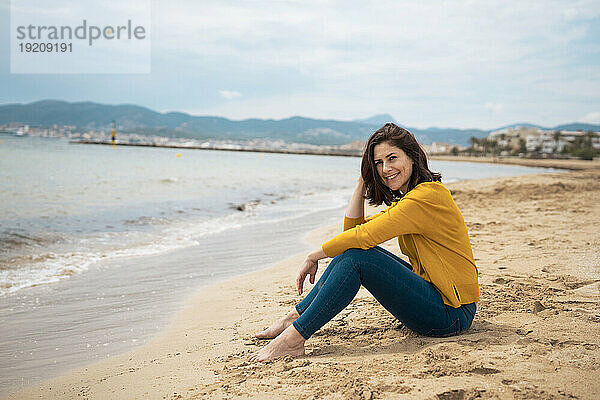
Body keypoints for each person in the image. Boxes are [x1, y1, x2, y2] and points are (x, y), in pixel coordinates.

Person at [249, 123, 479, 362]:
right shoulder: (413, 197)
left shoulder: (426, 198)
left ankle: (293, 339)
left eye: (392, 158)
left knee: (358, 259)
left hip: (452, 314)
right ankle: (294, 317)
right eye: (378, 163)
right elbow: (353, 235)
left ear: (412, 156)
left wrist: (313, 255)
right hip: (437, 297)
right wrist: (361, 182)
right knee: (352, 252)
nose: (385, 168)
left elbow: (362, 237)